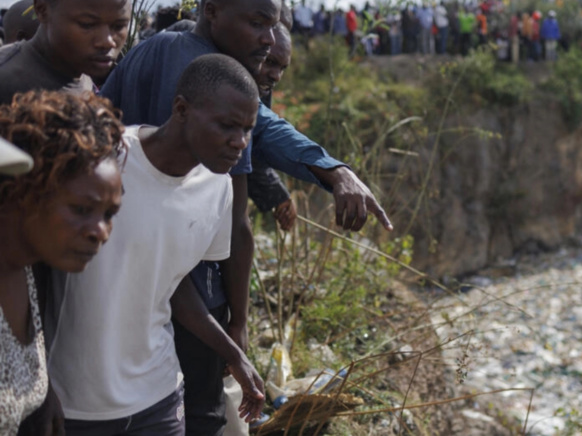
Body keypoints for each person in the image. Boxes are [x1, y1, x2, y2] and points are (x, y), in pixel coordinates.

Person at [101, 0, 392, 433]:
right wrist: (237, 325)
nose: (267, 39)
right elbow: (239, 219)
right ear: (212, 11)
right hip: (186, 287)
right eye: (258, 23)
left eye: (272, 26)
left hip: (120, 275)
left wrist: (334, 170)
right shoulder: (211, 85)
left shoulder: (153, 49)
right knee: (200, 411)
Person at [48, 54, 266, 435]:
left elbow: (173, 281)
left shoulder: (217, 188)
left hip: (158, 398)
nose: (239, 143)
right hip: (73, 405)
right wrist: (38, 386)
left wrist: (235, 355)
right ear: (181, 109)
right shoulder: (105, 159)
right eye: (227, 126)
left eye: (247, 129)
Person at [0, 90, 125, 434]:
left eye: (109, 214)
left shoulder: (26, 269)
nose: (100, 232)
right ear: (22, 191)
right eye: (82, 210)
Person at [0, 0, 131, 105]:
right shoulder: (7, 78)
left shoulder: (79, 73)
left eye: (118, 26)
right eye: (87, 24)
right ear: (42, 10)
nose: (107, 42)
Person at [249, 22, 297, 232]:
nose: (276, 75)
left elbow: (253, 141)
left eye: (282, 68)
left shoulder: (260, 87)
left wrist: (277, 194)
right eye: (269, 62)